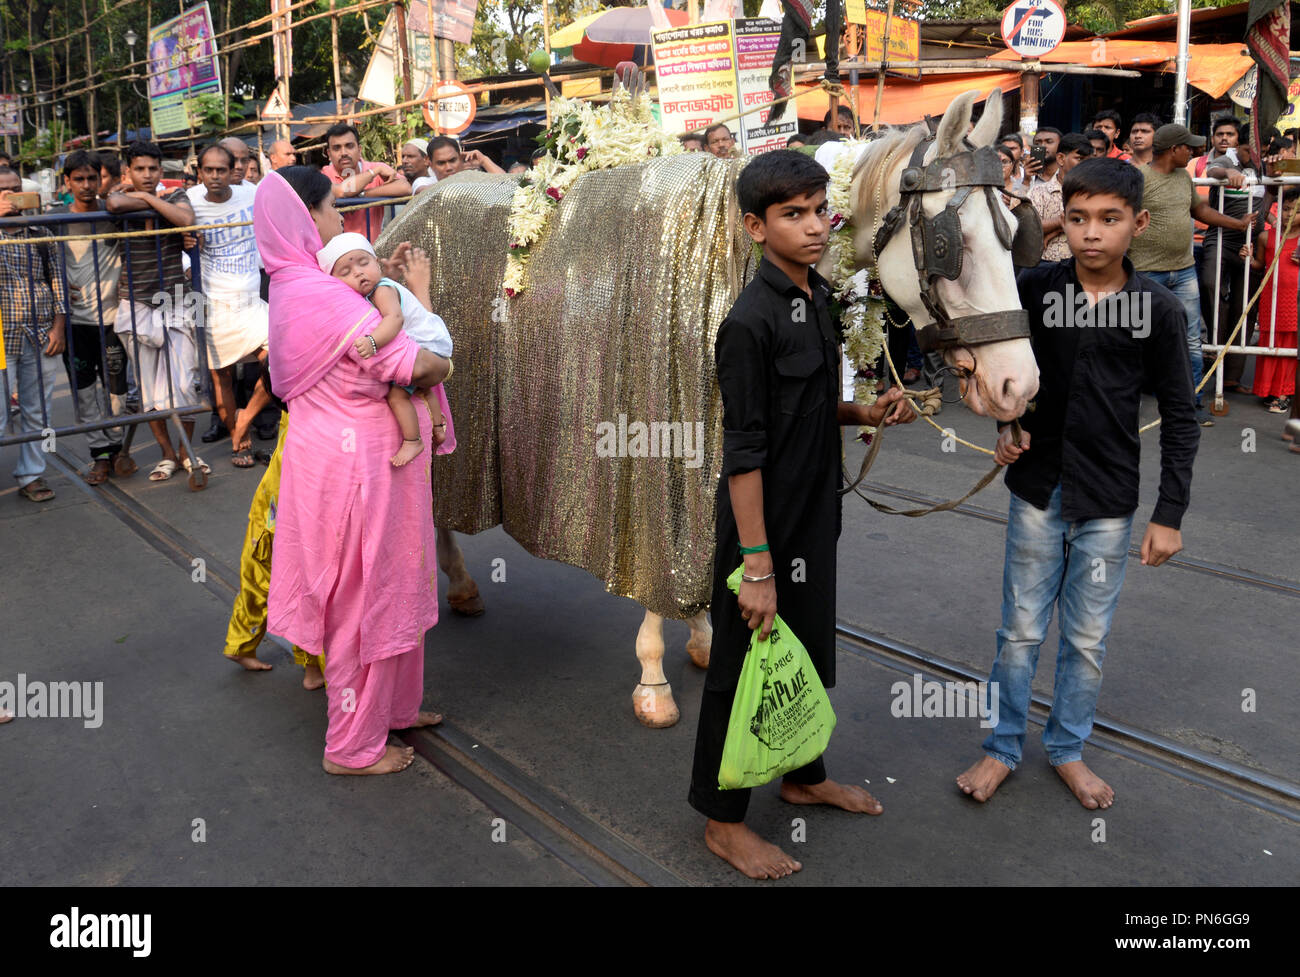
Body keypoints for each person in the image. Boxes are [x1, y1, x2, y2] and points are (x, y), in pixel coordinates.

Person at [687, 150, 916, 879]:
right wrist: (757, 566)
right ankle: (722, 821)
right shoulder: (748, 323)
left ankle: (802, 775)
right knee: (738, 669)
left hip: (817, 515)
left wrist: (863, 409)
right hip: (765, 530)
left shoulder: (816, 296)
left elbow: (808, 409)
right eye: (794, 214)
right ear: (756, 226)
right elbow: (745, 454)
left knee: (809, 650)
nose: (815, 226)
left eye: (821, 210)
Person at [956, 157, 1199, 810]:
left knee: (1086, 640)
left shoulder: (1160, 310)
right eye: (1081, 217)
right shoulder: (1032, 290)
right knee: (1020, 633)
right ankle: (1002, 747)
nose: (1092, 233)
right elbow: (994, 360)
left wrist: (1168, 512)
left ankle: (1067, 748)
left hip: (1111, 503)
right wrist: (1006, 420)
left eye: (1110, 220)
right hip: (1038, 490)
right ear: (1065, 217)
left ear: (1139, 224)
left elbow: (1180, 415)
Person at [255, 165, 450, 774]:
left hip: (342, 456)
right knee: (364, 598)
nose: (341, 219)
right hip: (358, 466)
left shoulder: (294, 283)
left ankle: (391, 709)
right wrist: (434, 331)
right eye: (334, 207)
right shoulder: (321, 293)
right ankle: (351, 745)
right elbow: (417, 366)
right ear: (306, 215)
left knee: (387, 583)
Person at [1127, 123, 1255, 427]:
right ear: (1174, 150)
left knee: (1191, 340)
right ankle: (1123, 406)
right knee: (1136, 340)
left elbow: (1200, 211)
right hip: (1145, 273)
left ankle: (1191, 403)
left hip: (1183, 272)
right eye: (1189, 147)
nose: (1194, 151)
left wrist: (1236, 225)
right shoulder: (1139, 180)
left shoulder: (1184, 177)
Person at [106, 140, 206, 480]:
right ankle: (167, 456)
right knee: (149, 390)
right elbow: (114, 201)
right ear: (128, 172)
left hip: (175, 300)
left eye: (152, 170)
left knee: (184, 384)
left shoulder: (175, 197)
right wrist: (145, 200)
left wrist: (148, 200)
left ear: (161, 172)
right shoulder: (122, 196)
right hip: (135, 303)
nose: (147, 175)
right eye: (140, 170)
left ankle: (187, 454)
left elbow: (186, 218)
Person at [316, 232, 453, 466]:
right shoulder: (375, 291)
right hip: (432, 344)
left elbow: (394, 319)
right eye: (346, 272)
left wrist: (372, 341)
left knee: (397, 395)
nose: (358, 272)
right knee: (422, 387)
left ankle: (413, 440)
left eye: (364, 263)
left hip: (428, 344)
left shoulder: (382, 289)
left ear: (377, 264)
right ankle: (438, 427)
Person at [187, 142, 272, 467]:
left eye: (222, 169)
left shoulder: (252, 194)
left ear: (233, 169)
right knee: (221, 376)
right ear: (200, 172)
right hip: (214, 306)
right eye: (209, 170)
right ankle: (239, 441)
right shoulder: (189, 200)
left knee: (279, 361)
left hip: (251, 303)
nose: (216, 176)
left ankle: (244, 420)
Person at [48, 150, 130, 484]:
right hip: (76, 322)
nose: (86, 185)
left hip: (114, 319)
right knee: (84, 392)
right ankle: (101, 455)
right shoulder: (53, 220)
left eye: (92, 178)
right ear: (66, 182)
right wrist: (56, 285)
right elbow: (41, 262)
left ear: (101, 179)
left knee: (117, 391)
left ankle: (115, 446)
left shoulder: (115, 214)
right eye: (78, 179)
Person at [0, 165, 66, 503]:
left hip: (39, 333)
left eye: (15, 189)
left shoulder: (43, 233)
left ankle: (31, 474)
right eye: (3, 191)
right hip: (1, 341)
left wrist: (59, 326)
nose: (12, 198)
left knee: (37, 410)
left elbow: (58, 283)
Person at [1194, 116, 1256, 393]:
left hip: (1253, 242)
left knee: (1246, 306)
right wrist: (1229, 174)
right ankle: (1214, 352)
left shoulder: (1270, 161)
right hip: (1221, 237)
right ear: (1239, 146)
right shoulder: (1226, 159)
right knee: (1209, 284)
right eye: (1247, 149)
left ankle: (1232, 376)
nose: (1251, 154)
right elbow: (1213, 170)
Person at [1244, 186, 1297, 413]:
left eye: (1296, 210)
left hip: (1295, 300)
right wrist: (1248, 258)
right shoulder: (1267, 236)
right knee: (1270, 341)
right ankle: (1269, 389)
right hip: (1271, 299)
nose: (1289, 214)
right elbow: (1259, 266)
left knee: (1291, 344)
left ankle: (1285, 392)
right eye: (1285, 209)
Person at [321, 122, 411, 243]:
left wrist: (364, 195)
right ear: (329, 154)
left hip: (371, 252)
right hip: (337, 255)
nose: (343, 153)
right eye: (337, 148)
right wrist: (374, 173)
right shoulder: (323, 175)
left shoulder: (374, 167)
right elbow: (344, 191)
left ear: (359, 149)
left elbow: (405, 187)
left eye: (349, 146)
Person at [1028, 133, 1094, 264]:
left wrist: (1053, 231)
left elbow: (1092, 222)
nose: (1086, 166)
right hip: (1047, 264)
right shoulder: (1039, 191)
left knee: (1070, 285)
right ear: (1061, 158)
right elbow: (1032, 227)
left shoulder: (1094, 192)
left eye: (1089, 161)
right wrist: (1064, 221)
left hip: (1081, 266)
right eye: (1079, 159)